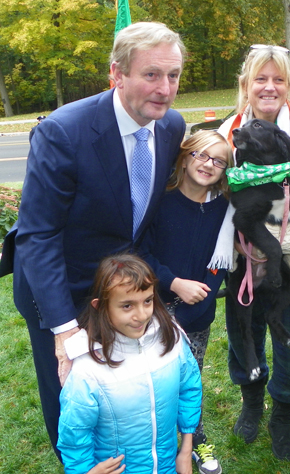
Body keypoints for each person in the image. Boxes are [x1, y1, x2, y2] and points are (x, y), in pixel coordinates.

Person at [0, 21, 186, 460]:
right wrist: (65, 330)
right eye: (152, 74)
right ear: (117, 74)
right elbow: (38, 234)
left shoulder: (172, 126)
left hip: (121, 289)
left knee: (122, 391)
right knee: (74, 401)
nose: (165, 88)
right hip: (62, 293)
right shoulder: (65, 131)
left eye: (173, 75)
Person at [215, 44, 290, 461]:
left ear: (289, 87)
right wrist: (239, 245)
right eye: (260, 79)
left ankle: (282, 415)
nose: (269, 87)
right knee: (243, 341)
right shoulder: (224, 136)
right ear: (246, 85)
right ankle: (251, 403)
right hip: (240, 272)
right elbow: (210, 204)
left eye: (279, 79)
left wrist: (271, 245)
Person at [57, 253, 202, 474]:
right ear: (100, 306)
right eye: (127, 306)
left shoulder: (172, 339)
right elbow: (75, 433)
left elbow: (189, 388)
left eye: (147, 300)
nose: (141, 315)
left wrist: (185, 449)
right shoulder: (87, 368)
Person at [141, 130, 233, 474]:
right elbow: (143, 252)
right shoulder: (160, 201)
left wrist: (202, 296)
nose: (209, 164)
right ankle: (152, 441)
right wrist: (175, 283)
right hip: (153, 309)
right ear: (185, 157)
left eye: (219, 160)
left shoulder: (224, 209)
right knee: (150, 379)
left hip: (197, 314)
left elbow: (219, 262)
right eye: (201, 155)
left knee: (187, 382)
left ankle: (194, 441)